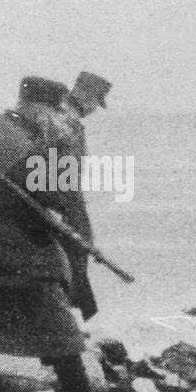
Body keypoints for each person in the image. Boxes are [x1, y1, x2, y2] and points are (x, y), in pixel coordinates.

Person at [0, 77, 102, 392]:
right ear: (39, 108)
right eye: (54, 111)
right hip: (18, 247)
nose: (59, 117)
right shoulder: (28, 141)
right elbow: (60, 195)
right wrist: (63, 146)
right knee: (60, 330)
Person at [56, 71, 111, 321]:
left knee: (74, 267)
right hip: (64, 206)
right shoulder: (66, 123)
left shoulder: (68, 121)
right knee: (71, 268)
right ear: (86, 97)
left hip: (66, 204)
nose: (94, 110)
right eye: (95, 103)